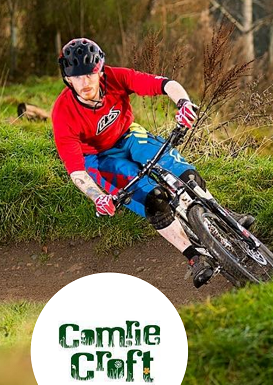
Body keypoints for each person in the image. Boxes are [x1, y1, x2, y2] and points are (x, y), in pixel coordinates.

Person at [52, 37, 250, 288]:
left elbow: (165, 84)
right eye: (77, 76)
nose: (85, 82)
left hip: (129, 134)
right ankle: (194, 257)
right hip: (99, 158)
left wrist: (183, 103)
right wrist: (97, 197)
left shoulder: (116, 77)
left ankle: (223, 215)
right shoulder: (62, 113)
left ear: (100, 70)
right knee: (154, 200)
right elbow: (76, 170)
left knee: (183, 175)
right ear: (67, 78)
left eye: (90, 74)